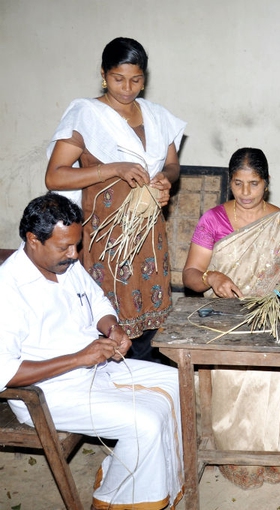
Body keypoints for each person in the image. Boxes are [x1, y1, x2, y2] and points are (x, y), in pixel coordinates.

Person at [0, 193, 182, 509]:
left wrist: (112, 328)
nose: (74, 254)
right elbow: (7, 372)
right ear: (33, 240)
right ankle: (115, 501)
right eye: (64, 247)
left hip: (94, 368)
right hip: (48, 394)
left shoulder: (64, 264)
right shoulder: (8, 290)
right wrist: (79, 358)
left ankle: (134, 478)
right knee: (146, 423)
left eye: (76, 245)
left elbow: (97, 301)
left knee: (177, 384)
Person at [45, 37, 186, 363]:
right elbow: (55, 176)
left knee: (151, 328)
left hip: (149, 237)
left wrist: (166, 177)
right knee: (108, 315)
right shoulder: (86, 114)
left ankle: (148, 383)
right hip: (106, 239)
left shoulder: (156, 116)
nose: (127, 88)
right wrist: (112, 169)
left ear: (144, 78)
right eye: (118, 79)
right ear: (103, 74)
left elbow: (173, 164)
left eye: (136, 80)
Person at [182, 147, 280, 488]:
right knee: (237, 373)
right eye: (238, 184)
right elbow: (191, 275)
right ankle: (238, 456)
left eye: (253, 184)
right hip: (224, 316)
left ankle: (274, 456)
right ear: (230, 183)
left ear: (266, 183)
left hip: (270, 313)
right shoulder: (213, 220)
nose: (245, 192)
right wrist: (211, 277)